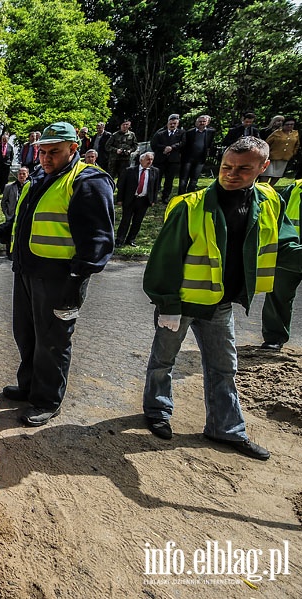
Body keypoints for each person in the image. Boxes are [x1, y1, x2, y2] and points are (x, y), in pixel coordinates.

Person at [142, 136, 302, 460]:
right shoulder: (191, 205)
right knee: (163, 360)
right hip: (183, 303)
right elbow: (165, 259)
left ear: (263, 167)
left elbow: (285, 246)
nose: (231, 174)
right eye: (226, 166)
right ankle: (157, 411)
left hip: (220, 304)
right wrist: (167, 305)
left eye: (243, 169)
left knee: (223, 367)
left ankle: (225, 429)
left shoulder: (270, 201)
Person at [0, 122, 115, 427]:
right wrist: (0, 233)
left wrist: (76, 281)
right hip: (28, 273)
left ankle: (46, 400)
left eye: (54, 152)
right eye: (42, 151)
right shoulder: (39, 179)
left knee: (53, 342)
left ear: (73, 149)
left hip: (60, 280)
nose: (45, 158)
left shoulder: (88, 181)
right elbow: (22, 220)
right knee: (27, 336)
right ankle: (29, 386)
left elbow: (98, 242)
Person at [261, 178, 302, 350]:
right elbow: (277, 214)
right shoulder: (295, 188)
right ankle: (274, 337)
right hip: (290, 253)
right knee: (278, 295)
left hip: (290, 252)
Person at [115, 152, 160, 247]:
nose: (150, 161)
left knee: (137, 222)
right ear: (141, 160)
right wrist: (119, 199)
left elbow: (156, 187)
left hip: (143, 200)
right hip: (130, 199)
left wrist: (153, 200)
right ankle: (119, 240)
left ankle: (131, 239)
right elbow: (122, 186)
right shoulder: (130, 171)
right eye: (148, 159)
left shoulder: (155, 171)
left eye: (151, 159)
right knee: (125, 220)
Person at [150, 114, 184, 202]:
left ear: (178, 124)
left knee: (169, 180)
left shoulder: (182, 133)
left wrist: (172, 147)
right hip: (160, 160)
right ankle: (153, 197)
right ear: (168, 123)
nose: (172, 125)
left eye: (174, 123)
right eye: (171, 123)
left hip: (173, 160)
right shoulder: (160, 133)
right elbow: (154, 144)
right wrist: (164, 148)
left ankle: (165, 197)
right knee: (157, 179)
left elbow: (182, 143)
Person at [178, 114, 216, 194]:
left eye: (204, 121)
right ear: (196, 123)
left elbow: (210, 144)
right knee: (184, 178)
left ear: (207, 123)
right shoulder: (189, 132)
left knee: (194, 178)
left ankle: (189, 194)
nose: (202, 123)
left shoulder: (210, 132)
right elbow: (184, 145)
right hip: (187, 159)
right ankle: (181, 195)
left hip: (200, 159)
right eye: (200, 121)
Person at [263, 116, 299, 185]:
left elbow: (297, 144)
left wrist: (293, 153)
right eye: (287, 124)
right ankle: (262, 187)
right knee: (266, 173)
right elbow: (267, 143)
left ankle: (271, 187)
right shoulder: (277, 133)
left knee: (278, 174)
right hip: (272, 156)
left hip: (285, 157)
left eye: (291, 124)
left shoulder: (295, 133)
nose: (289, 126)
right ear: (283, 125)